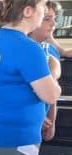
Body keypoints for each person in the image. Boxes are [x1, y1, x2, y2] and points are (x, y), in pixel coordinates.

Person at [0, 0, 61, 155]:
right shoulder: (28, 48)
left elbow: (9, 85)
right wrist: (54, 76)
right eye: (42, 8)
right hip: (17, 136)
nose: (44, 12)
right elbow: (51, 95)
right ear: (28, 11)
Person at [29, 1, 63, 142]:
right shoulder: (23, 51)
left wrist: (51, 119)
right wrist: (34, 115)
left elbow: (52, 87)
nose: (53, 24)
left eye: (54, 19)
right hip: (21, 123)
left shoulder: (47, 50)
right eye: (47, 18)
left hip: (36, 124)